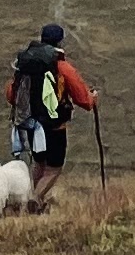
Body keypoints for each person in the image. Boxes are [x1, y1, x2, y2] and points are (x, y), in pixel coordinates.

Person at [6, 22, 94, 206]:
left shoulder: (26, 64)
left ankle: (35, 199)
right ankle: (36, 198)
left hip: (31, 124)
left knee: (39, 162)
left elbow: (11, 93)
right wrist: (93, 99)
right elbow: (83, 99)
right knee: (54, 167)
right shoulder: (62, 67)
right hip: (55, 126)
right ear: (60, 41)